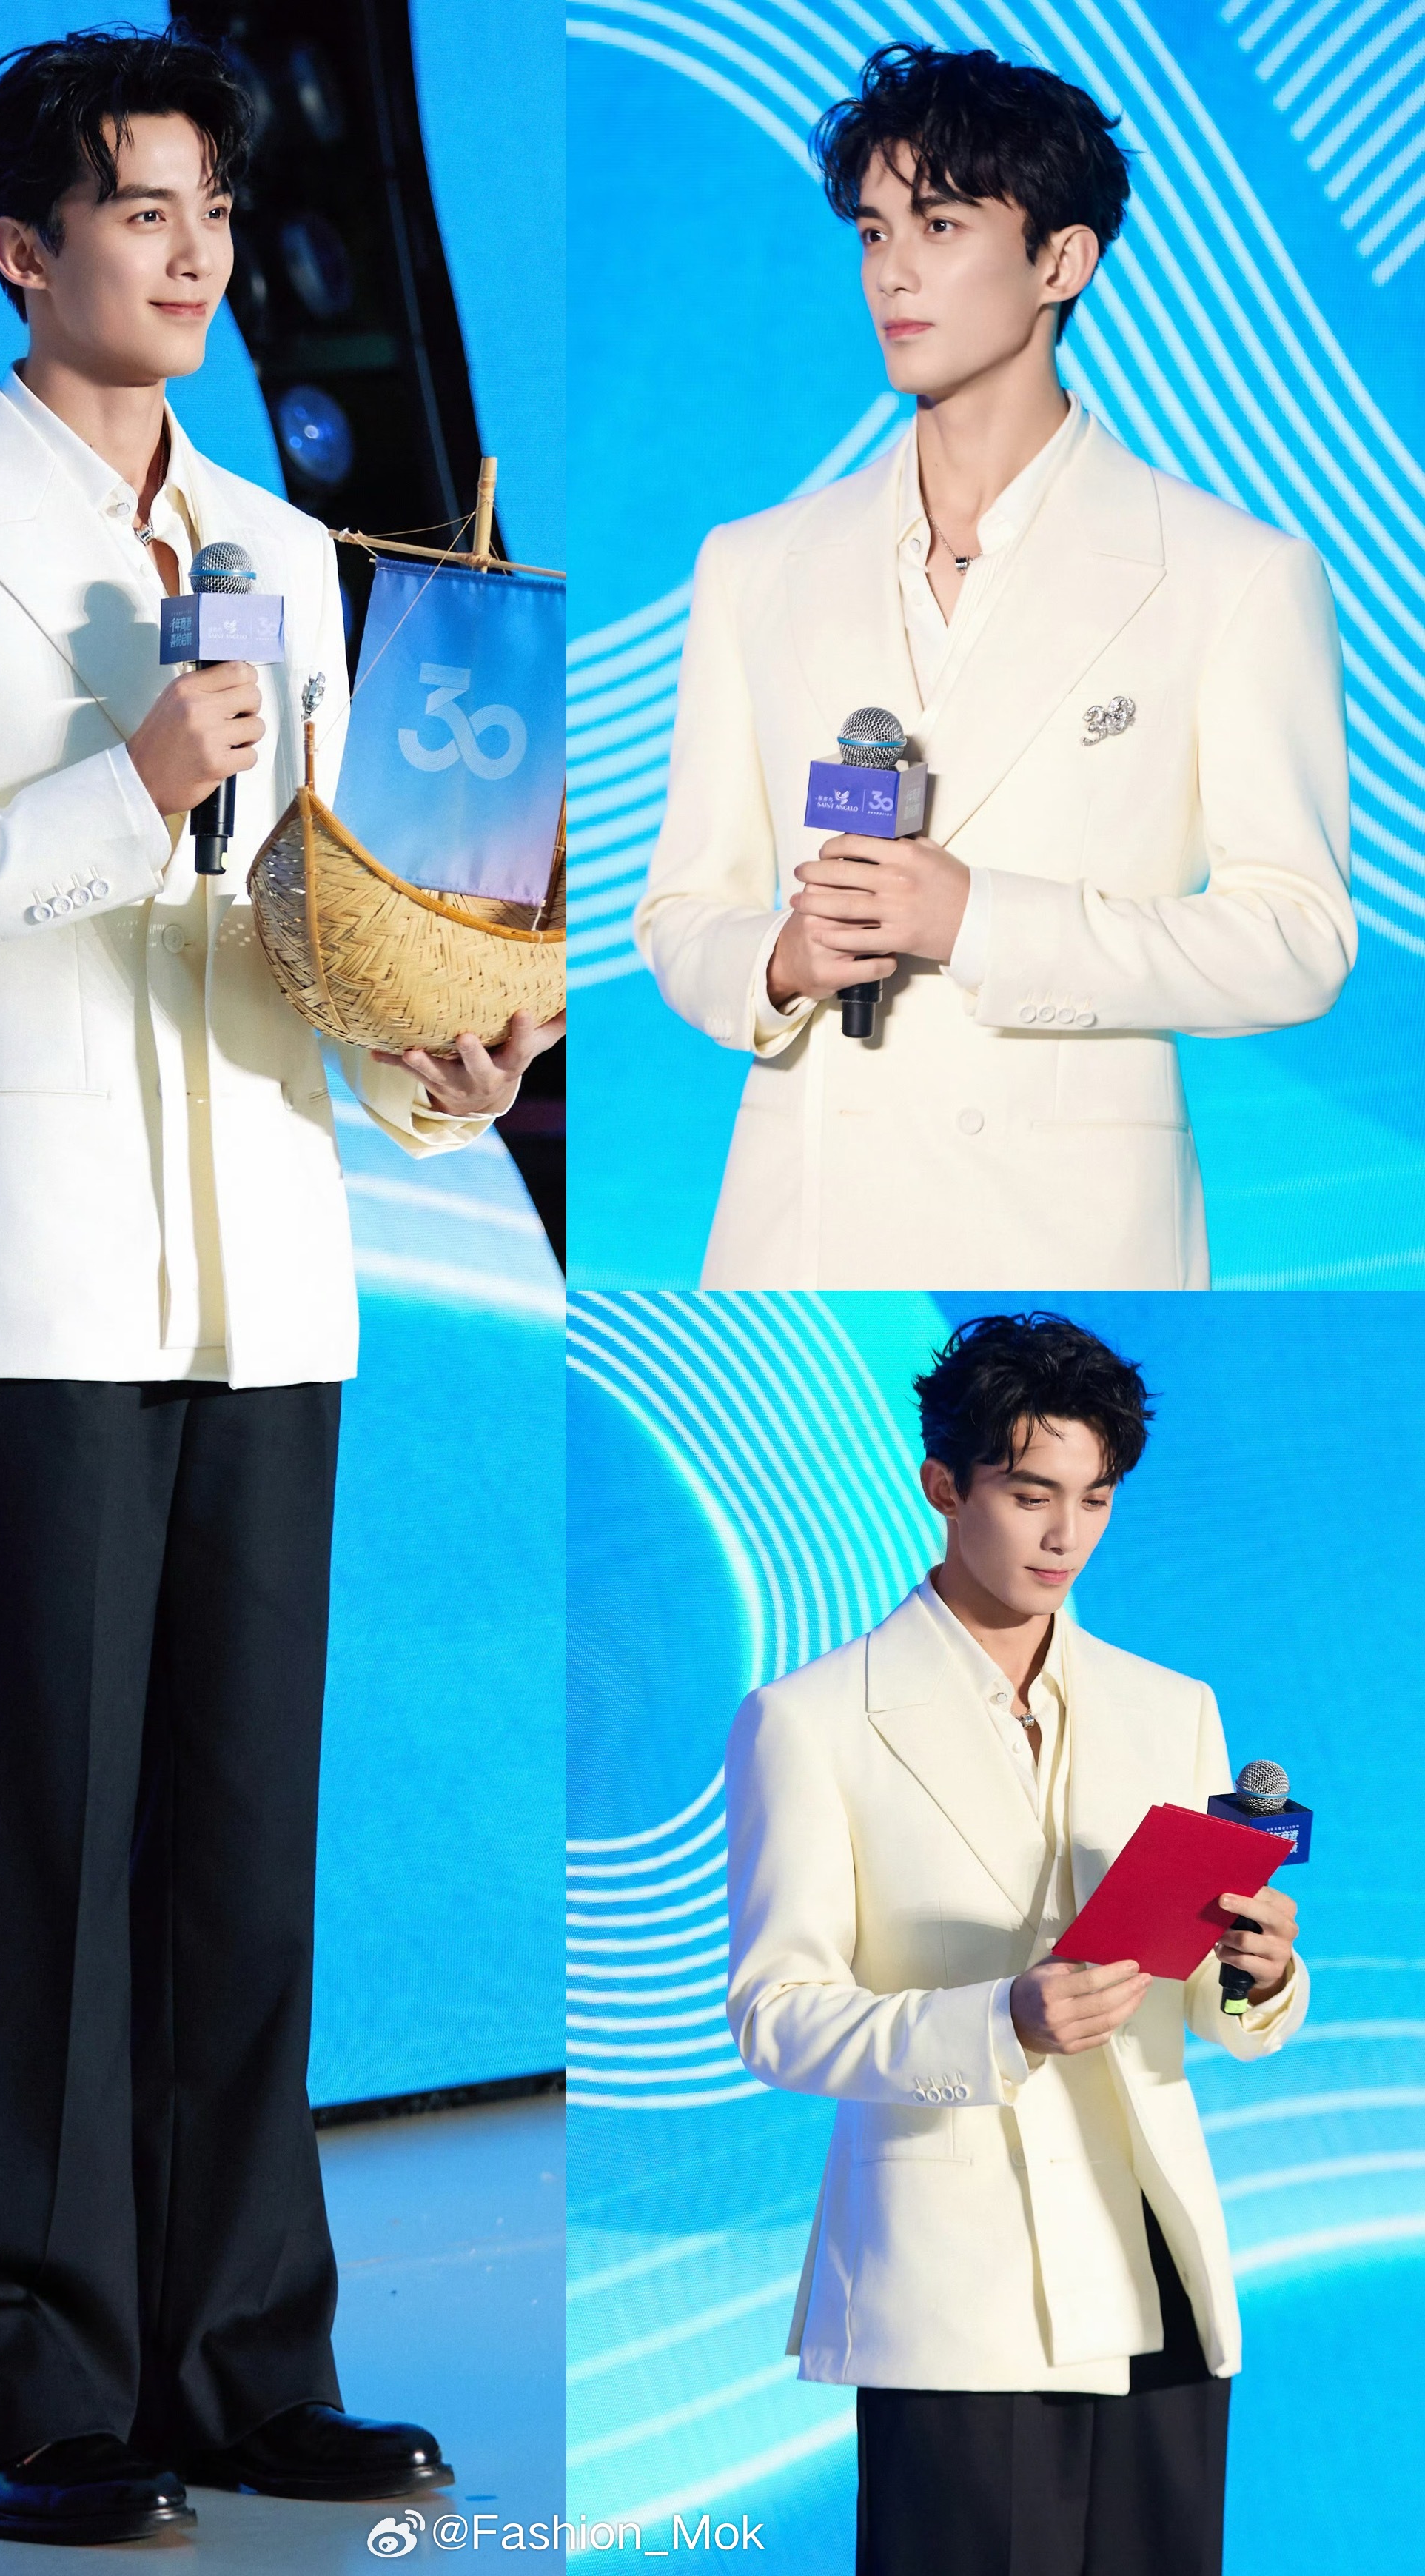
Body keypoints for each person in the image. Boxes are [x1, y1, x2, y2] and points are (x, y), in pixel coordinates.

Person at [0, 27, 560, 2548]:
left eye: (216, 205)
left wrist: (445, 1058)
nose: (202, 250)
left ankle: (239, 2362)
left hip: (270, 1265)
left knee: (237, 1843)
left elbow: (298, 924)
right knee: (37, 1854)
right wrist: (117, 793)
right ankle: (23, 2387)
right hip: (33, 1277)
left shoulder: (284, 553)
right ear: (24, 250)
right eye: (144, 208)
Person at [633, 44, 1354, 1290]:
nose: (892, 272)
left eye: (941, 224)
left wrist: (978, 920)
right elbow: (682, 910)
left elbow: (1297, 937)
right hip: (807, 1220)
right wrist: (781, 962)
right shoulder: (754, 565)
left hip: (1070, 1229)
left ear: (1061, 262)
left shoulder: (1233, 574)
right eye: (873, 232)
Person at [723, 1311, 1307, 2576]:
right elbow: (776, 2012)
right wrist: (1003, 2021)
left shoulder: (1173, 1708)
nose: (1065, 1536)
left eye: (1095, 1499)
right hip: (961, 2283)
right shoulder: (809, 1721)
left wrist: (1259, 1977)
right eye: (1031, 1494)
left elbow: (1207, 2006)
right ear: (943, 1486)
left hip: (1155, 2262)